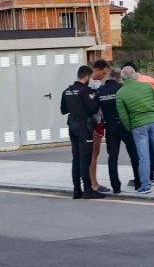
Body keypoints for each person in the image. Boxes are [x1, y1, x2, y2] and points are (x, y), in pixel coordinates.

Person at [117, 64, 154, 194]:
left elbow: (123, 115)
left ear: (122, 78)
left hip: (138, 125)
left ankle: (146, 185)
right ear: (135, 74)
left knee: (144, 157)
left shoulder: (121, 93)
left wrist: (130, 127)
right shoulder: (147, 86)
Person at [60, 64, 105, 200]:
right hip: (83, 127)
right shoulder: (86, 90)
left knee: (76, 158)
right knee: (85, 158)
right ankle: (87, 189)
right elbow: (92, 109)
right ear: (86, 76)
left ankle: (76, 190)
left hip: (72, 125)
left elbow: (63, 110)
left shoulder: (67, 91)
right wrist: (96, 97)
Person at [96, 66, 140, 193]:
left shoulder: (101, 90)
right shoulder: (121, 88)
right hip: (124, 125)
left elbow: (96, 109)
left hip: (110, 127)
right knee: (133, 154)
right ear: (119, 78)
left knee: (113, 157)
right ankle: (138, 182)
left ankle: (116, 187)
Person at [123, 61, 154, 182]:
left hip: (139, 120)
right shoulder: (150, 79)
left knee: (143, 152)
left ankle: (147, 176)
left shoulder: (134, 82)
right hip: (153, 117)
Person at [86, 59, 111, 194]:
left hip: (100, 121)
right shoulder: (89, 84)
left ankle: (92, 181)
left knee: (96, 153)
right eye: (104, 73)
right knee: (93, 154)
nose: (104, 76)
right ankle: (93, 183)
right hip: (93, 123)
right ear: (97, 69)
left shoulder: (98, 83)